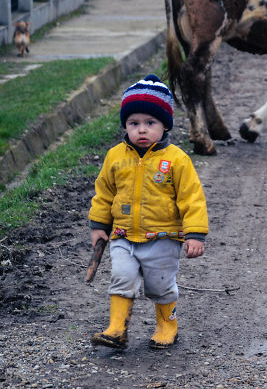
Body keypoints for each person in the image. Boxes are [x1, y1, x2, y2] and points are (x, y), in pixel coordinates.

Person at [88, 74, 208, 350]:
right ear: (125, 125)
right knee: (121, 277)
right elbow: (104, 192)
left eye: (149, 123)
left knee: (160, 286)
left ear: (165, 124)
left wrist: (195, 234)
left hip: (163, 237)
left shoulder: (176, 159)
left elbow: (192, 198)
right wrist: (98, 225)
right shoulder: (116, 156)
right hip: (123, 234)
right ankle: (117, 329)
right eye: (134, 123)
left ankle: (167, 325)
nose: (141, 130)